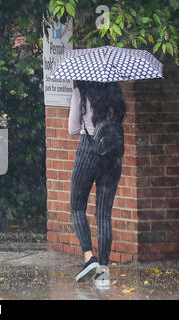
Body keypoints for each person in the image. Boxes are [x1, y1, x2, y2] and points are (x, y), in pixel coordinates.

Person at [68, 80, 126, 286]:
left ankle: (88, 257)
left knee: (77, 207)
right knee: (103, 213)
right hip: (112, 152)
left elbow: (73, 128)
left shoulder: (81, 91)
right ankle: (103, 270)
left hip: (89, 147)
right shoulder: (115, 91)